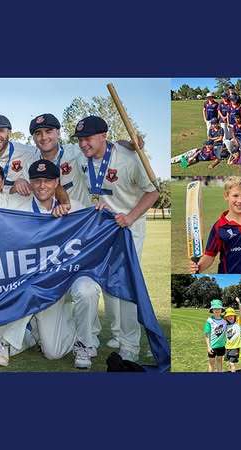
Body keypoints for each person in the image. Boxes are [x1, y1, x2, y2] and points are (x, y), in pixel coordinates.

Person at [67, 115, 158, 362]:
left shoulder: (130, 158)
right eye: (80, 140)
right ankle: (117, 333)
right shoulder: (79, 157)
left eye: (88, 138)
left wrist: (129, 217)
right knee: (104, 280)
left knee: (125, 284)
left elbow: (153, 193)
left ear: (103, 136)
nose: (83, 144)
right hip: (100, 230)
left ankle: (130, 345)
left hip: (128, 229)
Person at [8, 160, 99, 369]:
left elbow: (95, 232)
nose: (42, 185)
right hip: (44, 286)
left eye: (48, 181)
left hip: (71, 277)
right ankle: (50, 326)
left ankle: (85, 342)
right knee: (53, 352)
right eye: (37, 181)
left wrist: (101, 211)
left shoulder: (75, 207)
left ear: (57, 181)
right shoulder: (20, 208)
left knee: (87, 290)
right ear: (30, 183)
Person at [190, 176, 241, 274]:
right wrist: (198, 267)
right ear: (226, 196)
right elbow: (210, 256)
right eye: (235, 196)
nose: (240, 200)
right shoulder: (219, 227)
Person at [0, 114, 35, 196]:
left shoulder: (29, 153)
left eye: (1, 130)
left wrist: (24, 181)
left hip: (18, 204)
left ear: (9, 132)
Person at [203, 300, 226, 373]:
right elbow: (206, 334)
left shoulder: (224, 320)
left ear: (221, 310)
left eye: (218, 309)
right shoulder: (209, 320)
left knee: (219, 361)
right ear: (212, 310)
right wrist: (208, 347)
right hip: (212, 346)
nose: (217, 310)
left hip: (222, 346)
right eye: (215, 309)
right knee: (211, 363)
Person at [222, 307, 241, 372]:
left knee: (232, 363)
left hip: (235, 347)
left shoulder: (238, 323)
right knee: (229, 363)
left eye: (231, 316)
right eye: (228, 316)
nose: (230, 317)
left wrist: (239, 303)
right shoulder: (226, 325)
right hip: (227, 347)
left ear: (234, 316)